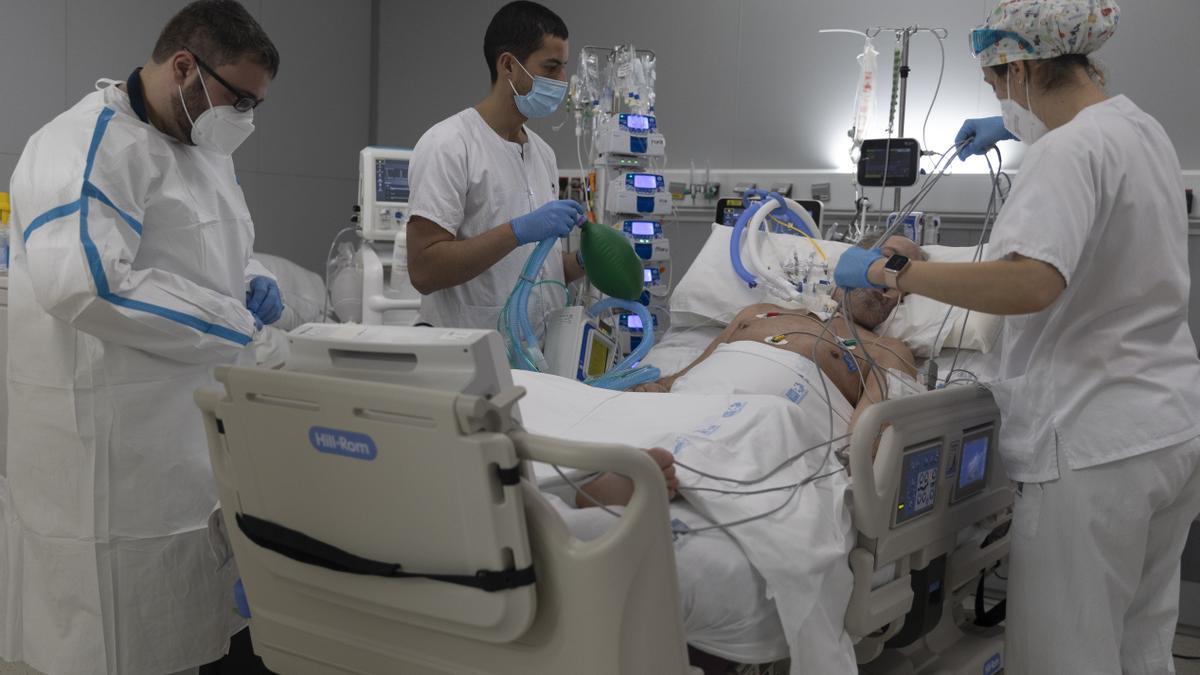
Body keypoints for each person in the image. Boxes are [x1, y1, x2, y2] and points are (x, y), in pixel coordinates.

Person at [834, 1, 1200, 672]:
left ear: (1025, 66)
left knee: (1067, 655)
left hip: (1092, 443)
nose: (999, 99)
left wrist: (901, 274)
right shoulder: (1139, 130)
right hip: (1167, 428)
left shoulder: (1066, 152)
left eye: (998, 82)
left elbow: (1031, 281)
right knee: (1140, 640)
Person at [1, 2, 283, 673]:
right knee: (116, 640)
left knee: (191, 626)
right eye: (238, 97)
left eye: (255, 104)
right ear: (184, 65)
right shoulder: (83, 144)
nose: (245, 118)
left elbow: (222, 244)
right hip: (110, 461)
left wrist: (253, 275)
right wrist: (230, 321)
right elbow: (86, 283)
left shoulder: (205, 148)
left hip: (187, 445)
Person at [406, 0, 586, 331]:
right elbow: (424, 270)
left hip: (538, 358)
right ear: (508, 66)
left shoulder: (541, 153)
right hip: (470, 356)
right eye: (550, 67)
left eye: (564, 67)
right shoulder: (449, 145)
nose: (562, 81)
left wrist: (581, 262)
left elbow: (530, 265)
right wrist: (517, 230)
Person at [639, 236, 925, 428]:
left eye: (903, 281)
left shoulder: (886, 350)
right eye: (887, 262)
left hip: (760, 429)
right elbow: (682, 378)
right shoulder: (757, 312)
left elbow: (865, 442)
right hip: (682, 410)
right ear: (855, 263)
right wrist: (648, 390)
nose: (889, 284)